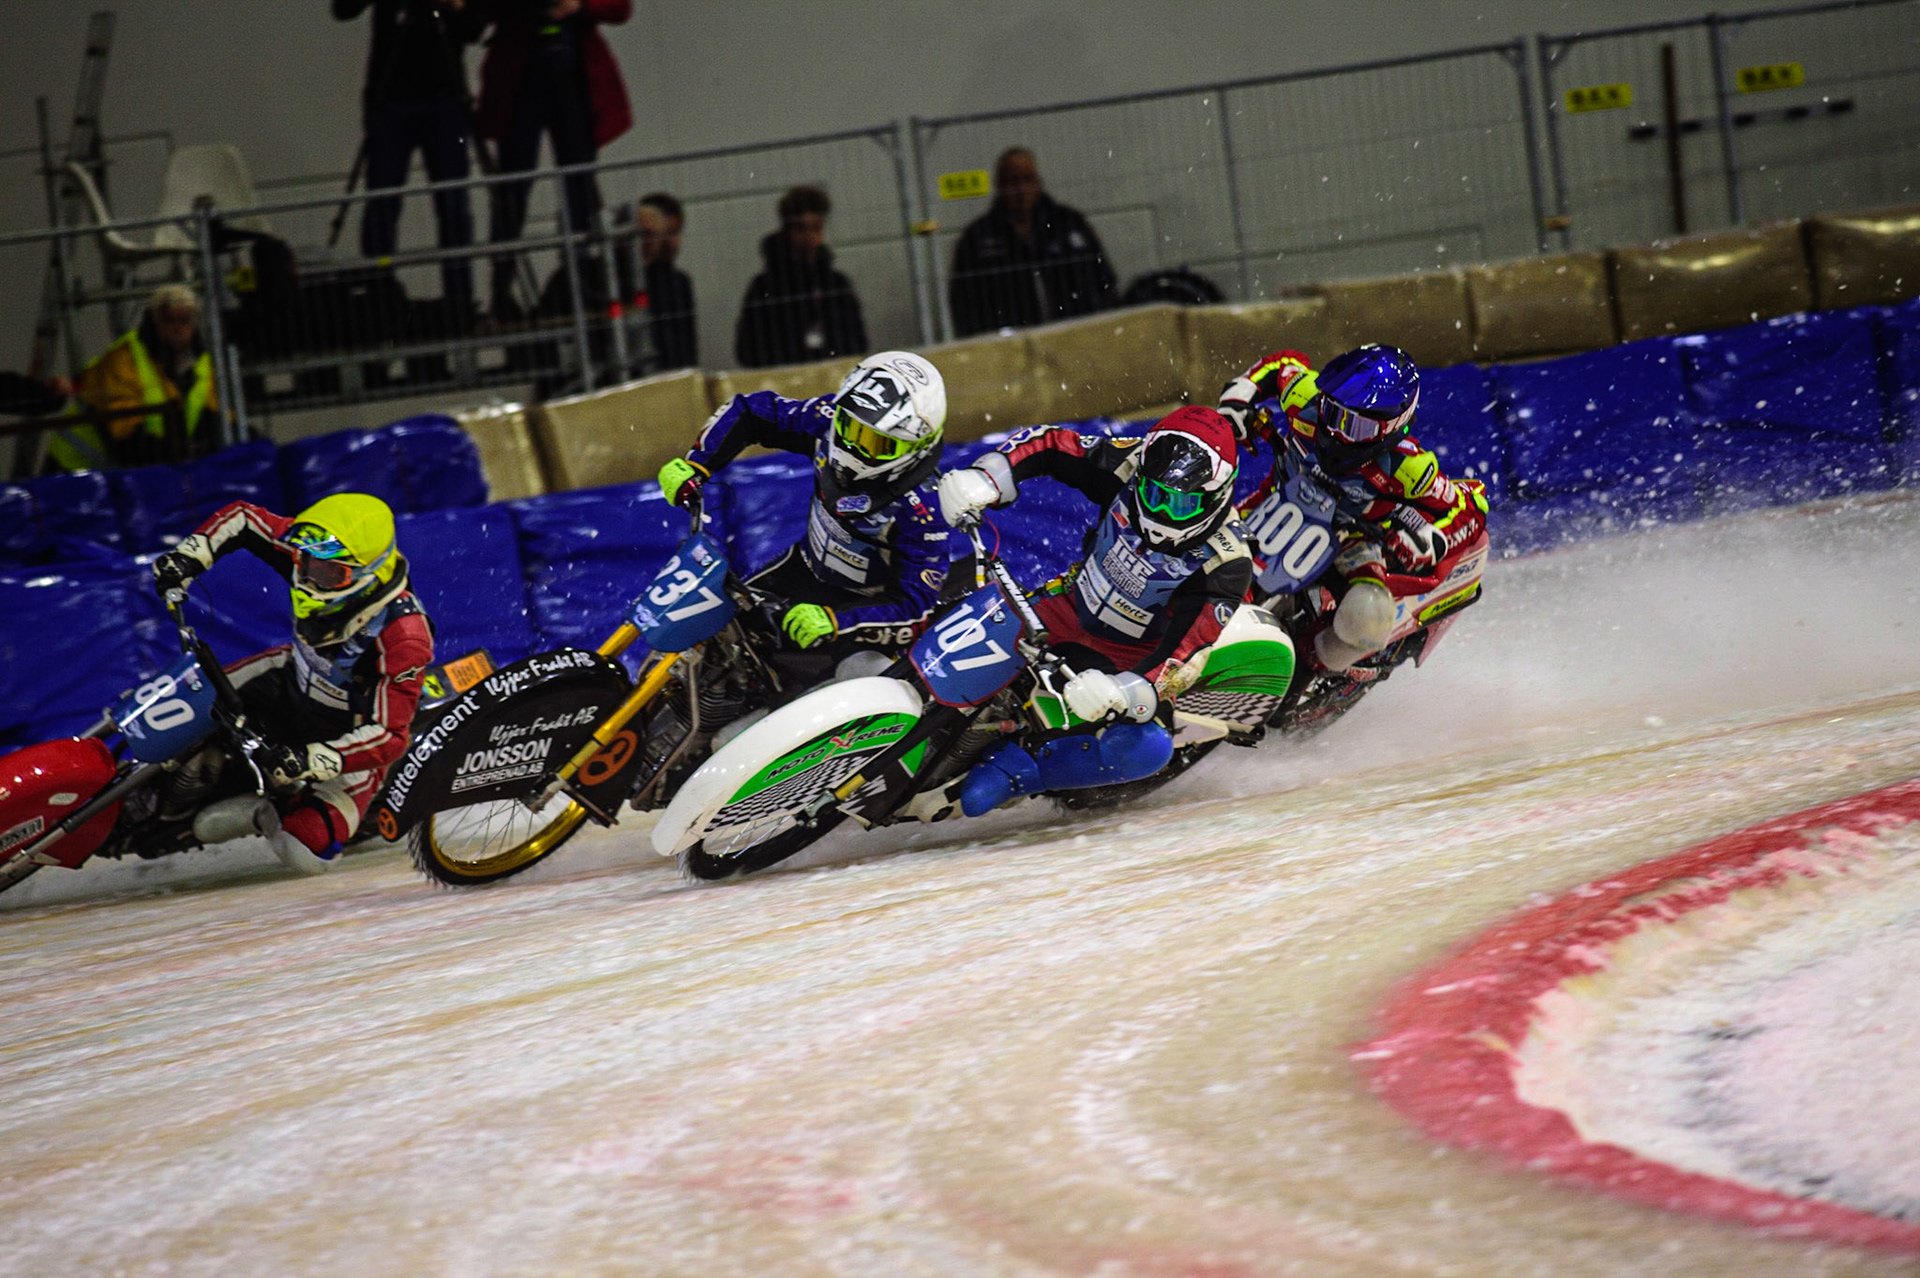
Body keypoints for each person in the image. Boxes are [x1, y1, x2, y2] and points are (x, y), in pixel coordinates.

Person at [934, 405, 1250, 812]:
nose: (1161, 513)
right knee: (962, 610)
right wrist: (990, 475)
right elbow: (1050, 444)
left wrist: (1127, 689)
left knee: (1148, 748)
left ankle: (1021, 771)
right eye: (1153, 494)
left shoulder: (1227, 562)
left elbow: (1185, 655)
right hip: (1067, 605)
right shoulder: (1129, 460)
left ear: (1216, 498)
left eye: (1181, 505)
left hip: (1127, 659)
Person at [149, 493, 434, 871]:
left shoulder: (404, 636)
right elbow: (245, 518)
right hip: (287, 680)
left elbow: (390, 736)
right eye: (308, 562)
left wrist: (314, 759)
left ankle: (262, 811)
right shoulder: (311, 551)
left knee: (305, 854)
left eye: (331, 573)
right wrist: (190, 555)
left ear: (371, 574)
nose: (310, 577)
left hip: (343, 739)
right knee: (178, 706)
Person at [656, 351, 950, 685]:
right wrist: (698, 462)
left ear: (918, 447)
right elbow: (752, 411)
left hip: (860, 611)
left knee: (868, 692)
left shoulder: (923, 509)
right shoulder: (827, 419)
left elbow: (916, 607)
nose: (853, 446)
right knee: (711, 628)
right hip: (801, 570)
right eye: (850, 427)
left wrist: (838, 621)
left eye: (877, 443)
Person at [1216, 345, 1489, 674]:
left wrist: (1433, 540)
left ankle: (1310, 665)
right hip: (1272, 502)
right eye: (1333, 412)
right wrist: (1240, 397)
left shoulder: (1408, 466)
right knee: (1201, 540)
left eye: (1355, 426)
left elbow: (1470, 506)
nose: (1336, 430)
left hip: (1352, 541)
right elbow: (1284, 363)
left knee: (1369, 614)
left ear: (1392, 426)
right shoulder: (1305, 399)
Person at [334, 0, 490, 329]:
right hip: (391, 98)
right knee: (382, 206)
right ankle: (380, 297)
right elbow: (343, 8)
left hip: (445, 97)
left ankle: (460, 301)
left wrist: (455, 4)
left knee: (453, 205)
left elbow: (475, 27)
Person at [478, 0, 633, 319]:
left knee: (579, 182)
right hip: (521, 75)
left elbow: (620, 7)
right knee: (512, 189)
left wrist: (578, 5)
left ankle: (584, 281)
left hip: (572, 74)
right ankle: (502, 289)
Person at [948, 147, 1119, 339]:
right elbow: (963, 303)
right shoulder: (977, 238)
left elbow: (1104, 279)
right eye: (1013, 181)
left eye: (1027, 179)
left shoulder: (1069, 223)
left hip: (1077, 335)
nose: (1021, 189)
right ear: (1000, 185)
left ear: (1038, 181)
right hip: (1011, 343)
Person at [48, 285, 221, 473]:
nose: (178, 329)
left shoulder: (203, 362)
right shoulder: (125, 359)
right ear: (155, 322)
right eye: (170, 321)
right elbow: (127, 441)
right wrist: (188, 454)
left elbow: (217, 420)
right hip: (72, 471)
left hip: (128, 473)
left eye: (185, 321)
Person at [735, 185, 868, 369]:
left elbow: (856, 339)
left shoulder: (836, 284)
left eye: (816, 228)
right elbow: (749, 347)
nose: (809, 237)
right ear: (788, 231)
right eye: (801, 228)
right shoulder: (764, 287)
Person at [615, 192, 697, 370]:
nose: (669, 242)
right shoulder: (614, 280)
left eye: (674, 232)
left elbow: (687, 343)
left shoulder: (678, 282)